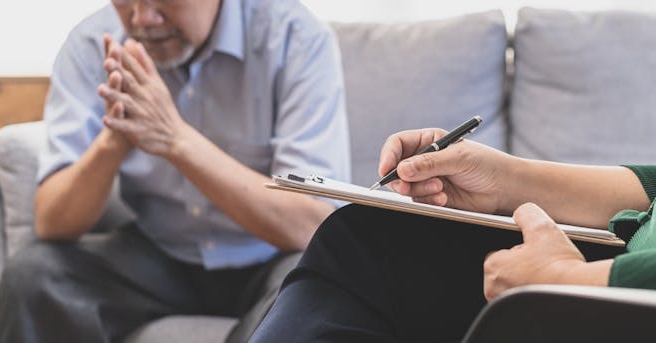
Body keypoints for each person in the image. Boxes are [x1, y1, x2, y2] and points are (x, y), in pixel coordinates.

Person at [0, 0, 350, 343]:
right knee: (33, 276)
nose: (142, 16)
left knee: (324, 293)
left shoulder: (295, 38)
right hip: (157, 254)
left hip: (269, 257)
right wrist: (115, 140)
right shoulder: (90, 45)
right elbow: (53, 220)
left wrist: (175, 139)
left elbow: (312, 224)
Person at [249, 127, 656, 342]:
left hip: (632, 298)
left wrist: (568, 281)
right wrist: (505, 179)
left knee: (365, 251)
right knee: (372, 236)